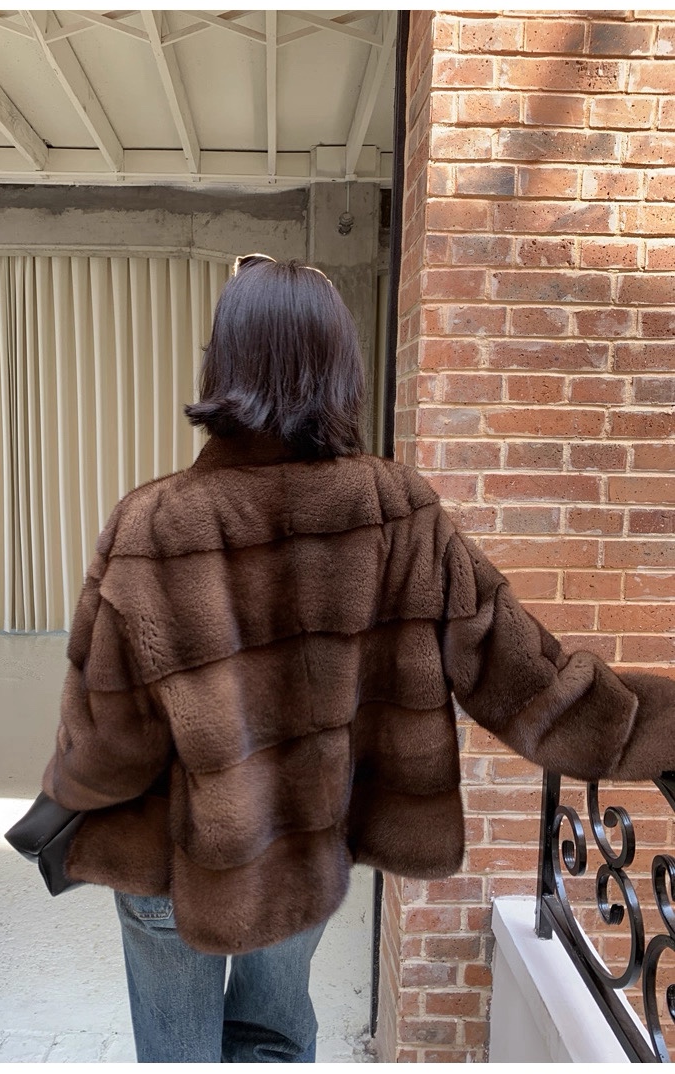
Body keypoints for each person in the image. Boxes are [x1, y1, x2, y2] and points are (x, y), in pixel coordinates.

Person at [41, 254, 675, 1063]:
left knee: (177, 1058)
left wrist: (65, 803)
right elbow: (525, 679)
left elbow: (108, 737)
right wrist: (652, 727)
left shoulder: (153, 523)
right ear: (339, 369)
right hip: (307, 845)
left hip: (174, 855)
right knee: (274, 1040)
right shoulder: (397, 511)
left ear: (222, 361)